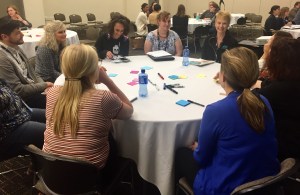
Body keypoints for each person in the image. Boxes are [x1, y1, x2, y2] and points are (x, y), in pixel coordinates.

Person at [176, 47, 280, 195]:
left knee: (181, 154)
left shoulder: (215, 111)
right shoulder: (263, 101)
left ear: (222, 77)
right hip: (265, 180)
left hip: (227, 187)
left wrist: (196, 148)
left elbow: (201, 158)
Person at [43, 44, 133, 169]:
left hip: (51, 170)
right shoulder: (103, 98)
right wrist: (108, 81)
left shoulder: (52, 92)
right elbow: (129, 111)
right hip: (87, 175)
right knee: (112, 137)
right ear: (92, 69)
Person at [255, 37, 300, 161]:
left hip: (283, 148)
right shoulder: (292, 80)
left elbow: (249, 100)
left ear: (275, 61)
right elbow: (272, 84)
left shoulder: (273, 93)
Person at [0, 17, 53, 109]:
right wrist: (44, 85)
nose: (22, 34)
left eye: (20, 31)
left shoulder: (16, 47)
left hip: (34, 90)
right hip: (22, 100)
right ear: (4, 37)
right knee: (61, 102)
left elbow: (33, 73)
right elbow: (17, 90)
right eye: (17, 33)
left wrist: (44, 87)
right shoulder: (2, 59)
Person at [0, 79, 45, 160]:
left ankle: (36, 165)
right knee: (49, 132)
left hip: (16, 115)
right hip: (7, 129)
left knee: (52, 116)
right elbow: (18, 90)